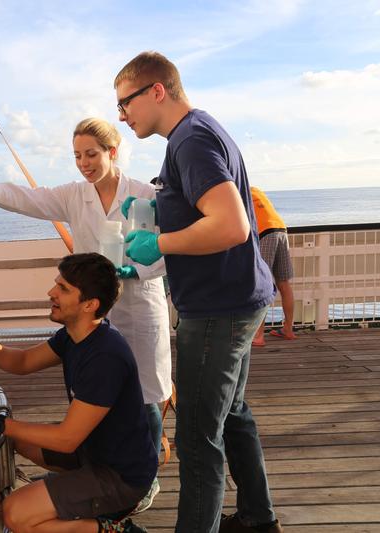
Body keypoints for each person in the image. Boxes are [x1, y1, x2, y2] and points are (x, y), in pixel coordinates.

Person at [0, 118, 173, 511]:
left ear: (112, 152)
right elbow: (29, 200)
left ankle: (143, 480)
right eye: (77, 156)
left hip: (138, 309)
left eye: (91, 154)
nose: (84, 163)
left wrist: (134, 270)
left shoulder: (143, 194)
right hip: (91, 313)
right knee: (97, 392)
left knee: (148, 394)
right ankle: (100, 464)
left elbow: (165, 252)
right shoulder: (75, 196)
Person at [114, 52, 283, 533]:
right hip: (238, 297)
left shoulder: (191, 141)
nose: (122, 116)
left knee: (195, 438)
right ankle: (257, 517)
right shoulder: (193, 135)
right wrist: (157, 209)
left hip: (216, 310)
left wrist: (158, 242)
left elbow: (231, 225)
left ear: (157, 91)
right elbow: (202, 209)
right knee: (232, 415)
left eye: (126, 103)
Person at [0, 253, 157, 532]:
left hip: (120, 476)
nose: (51, 292)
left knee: (15, 514)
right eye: (57, 284)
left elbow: (65, 439)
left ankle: (113, 530)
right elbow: (24, 362)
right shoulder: (76, 334)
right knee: (22, 441)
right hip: (92, 452)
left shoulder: (105, 358)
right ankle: (61, 498)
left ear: (90, 304)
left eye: (63, 289)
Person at [250, 187, 296, 346]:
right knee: (284, 282)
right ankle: (288, 329)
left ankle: (258, 336)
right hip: (281, 229)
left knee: (262, 284)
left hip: (264, 232)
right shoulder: (256, 190)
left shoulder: (237, 191)